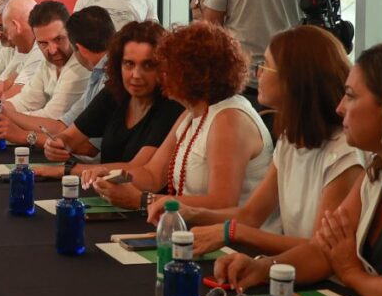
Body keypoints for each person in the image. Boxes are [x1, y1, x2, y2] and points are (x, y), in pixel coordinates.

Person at [214, 42, 382, 296]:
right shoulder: (380, 167)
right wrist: (265, 268)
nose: (340, 107)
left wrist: (349, 271)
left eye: (350, 96)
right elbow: (323, 251)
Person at [154, 26, 363, 255]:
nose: (257, 74)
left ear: (293, 80)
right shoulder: (289, 140)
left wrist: (231, 233)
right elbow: (250, 214)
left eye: (264, 65)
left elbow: (320, 249)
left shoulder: (344, 153)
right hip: (290, 266)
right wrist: (191, 213)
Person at [87, 22, 273, 221]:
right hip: (196, 232)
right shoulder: (191, 112)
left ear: (192, 74)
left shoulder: (229, 119)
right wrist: (108, 174)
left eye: (167, 68)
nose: (162, 76)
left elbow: (223, 202)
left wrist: (143, 200)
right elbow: (152, 174)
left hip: (237, 243)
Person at [37, 21, 183, 175]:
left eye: (148, 65)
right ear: (118, 65)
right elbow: (70, 137)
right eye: (129, 64)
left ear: (164, 67)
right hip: (105, 192)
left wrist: (68, 169)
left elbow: (138, 168)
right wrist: (57, 144)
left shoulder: (171, 106)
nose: (136, 75)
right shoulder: (114, 92)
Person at [0, 0, 88, 134]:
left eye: (58, 39)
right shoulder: (48, 62)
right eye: (43, 43)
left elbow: (52, 121)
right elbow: (25, 101)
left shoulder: (81, 66)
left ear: (70, 33)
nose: (52, 50)